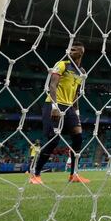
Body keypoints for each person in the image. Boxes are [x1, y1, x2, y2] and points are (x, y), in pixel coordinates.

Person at [29, 41, 89, 185]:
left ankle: (73, 174)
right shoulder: (62, 64)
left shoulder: (82, 72)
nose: (70, 51)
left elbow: (76, 94)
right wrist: (55, 106)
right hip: (54, 105)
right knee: (53, 140)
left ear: (81, 52)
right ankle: (35, 174)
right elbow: (52, 85)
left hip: (70, 108)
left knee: (78, 138)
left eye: (73, 49)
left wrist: (77, 112)